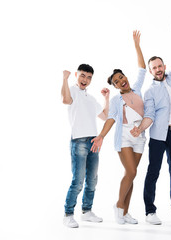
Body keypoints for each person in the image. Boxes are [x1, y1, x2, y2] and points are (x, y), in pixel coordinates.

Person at [130, 20, 171, 225]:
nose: (157, 69)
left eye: (159, 66)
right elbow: (150, 116)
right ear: (151, 70)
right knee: (153, 172)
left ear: (164, 66)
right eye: (153, 67)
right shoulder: (150, 92)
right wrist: (139, 128)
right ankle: (150, 211)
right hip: (157, 137)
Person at [90, 31, 147, 225]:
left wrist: (136, 44)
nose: (120, 81)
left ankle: (124, 212)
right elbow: (111, 119)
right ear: (115, 86)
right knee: (131, 173)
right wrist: (101, 136)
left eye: (121, 77)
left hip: (140, 138)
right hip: (124, 138)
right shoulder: (116, 100)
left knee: (130, 176)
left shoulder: (137, 89)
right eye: (116, 82)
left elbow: (142, 68)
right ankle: (118, 205)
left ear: (125, 77)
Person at [61, 64, 109, 228]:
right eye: (82, 75)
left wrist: (106, 98)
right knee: (78, 180)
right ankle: (68, 214)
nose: (85, 80)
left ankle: (87, 211)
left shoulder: (90, 97)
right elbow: (65, 100)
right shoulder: (72, 91)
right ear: (77, 75)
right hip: (79, 141)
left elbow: (105, 116)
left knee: (92, 180)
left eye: (88, 77)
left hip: (93, 141)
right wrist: (65, 79)